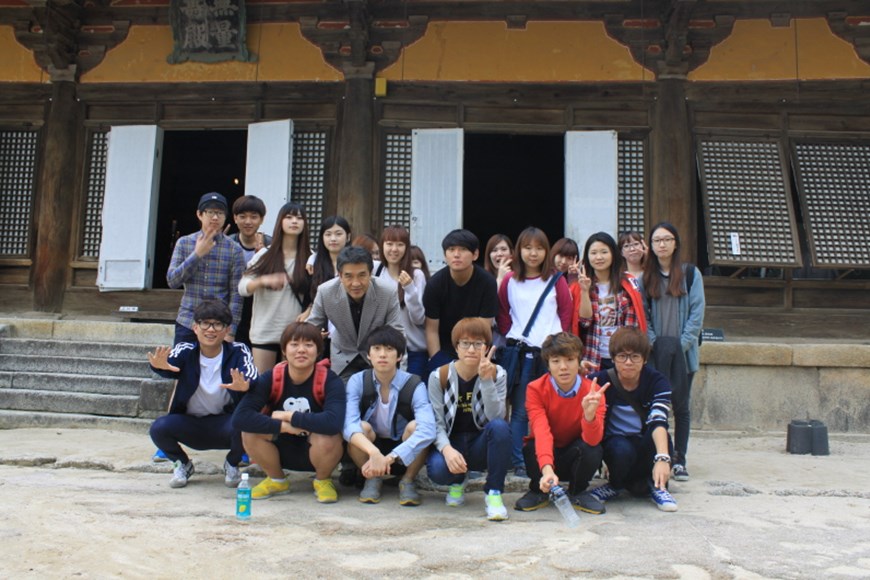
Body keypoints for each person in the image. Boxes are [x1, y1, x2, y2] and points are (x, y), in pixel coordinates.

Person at [147, 300, 257, 489]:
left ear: (227, 329)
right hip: (191, 423)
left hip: (226, 423)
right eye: (205, 323)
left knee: (248, 423)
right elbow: (170, 365)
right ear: (195, 327)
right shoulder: (186, 350)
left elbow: (251, 375)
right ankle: (182, 464)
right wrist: (160, 367)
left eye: (217, 324)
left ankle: (232, 463)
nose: (211, 330)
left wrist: (246, 385)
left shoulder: (238, 350)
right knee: (159, 428)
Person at [232, 322, 345, 503]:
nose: (301, 350)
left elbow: (334, 422)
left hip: (317, 449)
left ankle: (323, 481)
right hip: (279, 448)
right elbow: (240, 418)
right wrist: (285, 427)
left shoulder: (330, 380)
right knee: (249, 432)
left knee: (330, 436)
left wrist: (289, 416)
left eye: (308, 345)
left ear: (318, 351)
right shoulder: (272, 377)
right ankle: (276, 480)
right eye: (294, 344)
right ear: (284, 350)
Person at [497, 226, 573, 477]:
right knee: (520, 410)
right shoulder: (510, 280)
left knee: (553, 408)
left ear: (546, 251)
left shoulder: (556, 279)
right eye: (528, 247)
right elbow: (503, 313)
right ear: (519, 250)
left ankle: (551, 458)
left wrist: (559, 343)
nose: (533, 253)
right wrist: (514, 334)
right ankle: (520, 460)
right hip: (523, 354)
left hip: (551, 354)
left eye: (539, 248)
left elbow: (566, 312)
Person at [425, 317, 510, 521]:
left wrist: (487, 381)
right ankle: (457, 481)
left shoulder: (498, 374)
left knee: (500, 427)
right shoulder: (439, 376)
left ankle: (494, 493)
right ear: (456, 348)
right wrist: (447, 450)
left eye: (478, 344)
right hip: (453, 442)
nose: (471, 349)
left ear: (487, 347)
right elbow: (436, 422)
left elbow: (496, 417)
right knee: (437, 469)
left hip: (481, 443)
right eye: (465, 343)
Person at [514, 332, 608, 514]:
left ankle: (578, 491)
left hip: (575, 455)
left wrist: (589, 416)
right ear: (548, 364)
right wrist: (547, 470)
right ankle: (538, 490)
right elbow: (541, 430)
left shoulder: (594, 392)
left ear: (578, 361)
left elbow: (593, 440)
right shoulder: (535, 389)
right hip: (546, 455)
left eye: (570, 360)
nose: (563, 367)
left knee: (592, 448)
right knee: (530, 446)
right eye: (556, 361)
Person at [585, 327, 677, 512]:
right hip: (616, 442)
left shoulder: (657, 381)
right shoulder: (598, 381)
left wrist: (662, 458)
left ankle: (658, 486)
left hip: (645, 440)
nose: (628, 362)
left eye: (635, 356)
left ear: (644, 359)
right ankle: (615, 484)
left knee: (662, 438)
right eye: (622, 356)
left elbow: (658, 421)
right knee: (620, 449)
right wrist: (577, 371)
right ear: (613, 358)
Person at [343, 326, 436, 506]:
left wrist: (390, 457)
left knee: (416, 427)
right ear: (368, 355)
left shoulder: (414, 384)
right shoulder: (357, 380)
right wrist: (374, 453)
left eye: (389, 349)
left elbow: (428, 429)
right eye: (377, 349)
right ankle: (372, 479)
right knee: (360, 428)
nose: (383, 355)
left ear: (400, 356)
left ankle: (408, 480)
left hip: (403, 451)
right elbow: (348, 424)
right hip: (371, 449)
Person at [641, 222, 705, 482]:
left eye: (667, 239)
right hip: (656, 353)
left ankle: (680, 459)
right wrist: (653, 343)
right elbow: (643, 315)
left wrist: (682, 345)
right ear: (651, 246)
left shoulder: (690, 274)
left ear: (676, 243)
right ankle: (660, 454)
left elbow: (697, 313)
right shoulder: (646, 277)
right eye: (657, 240)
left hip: (683, 353)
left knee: (681, 407)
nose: (662, 244)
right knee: (657, 406)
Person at [306, 246, 402, 381]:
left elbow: (397, 333)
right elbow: (311, 329)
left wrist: (401, 373)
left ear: (371, 273)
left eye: (362, 275)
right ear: (340, 275)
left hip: (378, 359)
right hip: (342, 359)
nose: (356, 283)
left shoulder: (387, 291)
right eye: (348, 276)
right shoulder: (325, 292)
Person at [238, 202, 311, 373]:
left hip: (295, 334)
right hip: (265, 331)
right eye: (289, 217)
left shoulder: (310, 258)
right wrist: (262, 281)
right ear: (280, 222)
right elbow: (242, 287)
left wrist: (310, 310)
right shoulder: (265, 255)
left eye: (299, 218)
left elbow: (318, 294)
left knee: (290, 386)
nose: (294, 221)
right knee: (262, 385)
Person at [167, 192, 246, 345]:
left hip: (218, 325)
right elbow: (172, 281)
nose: (215, 217)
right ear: (199, 214)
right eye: (210, 212)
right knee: (182, 360)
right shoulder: (184, 243)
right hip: (188, 321)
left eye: (220, 213)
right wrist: (197, 254)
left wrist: (231, 330)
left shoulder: (234, 249)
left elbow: (236, 295)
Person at [423, 229, 498, 372]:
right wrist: (437, 361)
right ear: (445, 255)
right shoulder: (435, 284)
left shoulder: (487, 282)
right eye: (451, 249)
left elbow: (484, 328)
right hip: (444, 349)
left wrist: (473, 358)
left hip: (475, 349)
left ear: (475, 254)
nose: (456, 254)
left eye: (463, 249)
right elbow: (431, 330)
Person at [578, 232, 646, 372]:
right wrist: (584, 291)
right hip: (593, 356)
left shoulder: (628, 282)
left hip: (623, 356)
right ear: (587, 257)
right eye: (593, 253)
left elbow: (632, 325)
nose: (599, 257)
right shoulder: (581, 284)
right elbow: (585, 322)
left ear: (613, 254)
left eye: (604, 252)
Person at [376, 225, 427, 376]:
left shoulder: (416, 275)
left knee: (412, 390)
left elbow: (419, 318)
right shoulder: (376, 272)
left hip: (413, 351)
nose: (394, 249)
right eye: (389, 244)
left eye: (400, 244)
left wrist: (409, 289)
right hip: (384, 349)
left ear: (407, 248)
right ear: (382, 246)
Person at [228, 195, 272, 347]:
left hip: (261, 310)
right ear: (235, 218)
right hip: (232, 308)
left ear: (262, 219)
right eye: (242, 216)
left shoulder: (271, 245)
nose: (248, 222)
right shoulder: (228, 243)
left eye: (254, 217)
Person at [550, 237, 582, 336]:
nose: (563, 261)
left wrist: (573, 280)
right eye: (561, 256)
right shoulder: (544, 277)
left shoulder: (579, 280)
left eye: (569, 258)